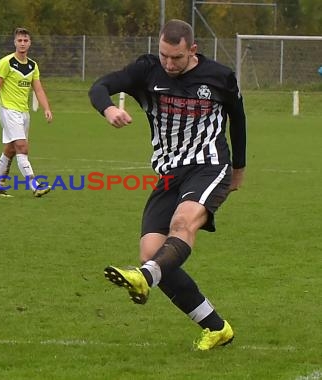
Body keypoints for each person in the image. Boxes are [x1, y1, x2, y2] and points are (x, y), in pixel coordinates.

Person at [88, 19, 246, 351]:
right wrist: (108, 109)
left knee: (182, 223)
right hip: (169, 174)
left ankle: (143, 278)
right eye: (164, 56)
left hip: (209, 165)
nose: (169, 64)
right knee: (152, 253)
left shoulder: (219, 76)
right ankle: (217, 328)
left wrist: (239, 168)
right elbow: (99, 86)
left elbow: (238, 118)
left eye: (176, 58)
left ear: (193, 50)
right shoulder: (147, 70)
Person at [0, 27, 53, 198]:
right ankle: (34, 185)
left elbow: (38, 89)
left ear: (30, 43)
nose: (22, 43)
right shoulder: (6, 62)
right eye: (19, 40)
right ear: (14, 42)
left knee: (10, 150)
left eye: (25, 40)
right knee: (22, 146)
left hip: (24, 113)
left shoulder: (32, 65)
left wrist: (46, 108)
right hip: (8, 111)